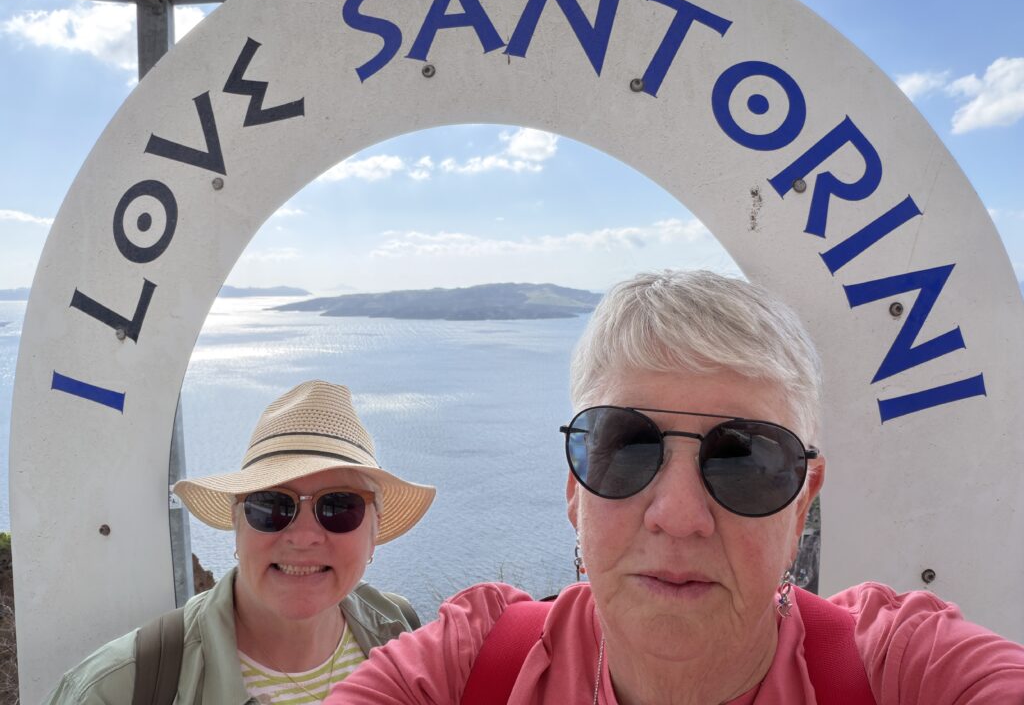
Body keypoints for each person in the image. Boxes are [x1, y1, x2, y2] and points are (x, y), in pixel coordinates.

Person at [326, 270, 1024, 704]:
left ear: (802, 504)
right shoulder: (467, 668)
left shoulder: (901, 671)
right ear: (574, 487)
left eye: (744, 459)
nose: (680, 515)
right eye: (627, 448)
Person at [47, 379, 435, 704]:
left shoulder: (402, 634)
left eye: (339, 507)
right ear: (237, 523)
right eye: (271, 505)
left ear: (374, 531)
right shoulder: (115, 690)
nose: (303, 537)